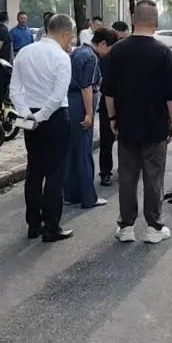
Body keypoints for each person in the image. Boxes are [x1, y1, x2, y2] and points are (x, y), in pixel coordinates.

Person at [102, 0, 172, 244]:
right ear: (156, 22)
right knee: (154, 177)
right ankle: (154, 227)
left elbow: (108, 92)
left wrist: (112, 118)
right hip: (156, 126)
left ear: (133, 19)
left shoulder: (118, 51)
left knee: (127, 178)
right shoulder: (164, 52)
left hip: (126, 125)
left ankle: (126, 226)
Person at [10, 13, 74, 242]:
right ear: (65, 34)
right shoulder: (61, 57)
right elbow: (58, 94)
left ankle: (33, 224)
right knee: (55, 174)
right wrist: (42, 116)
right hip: (54, 117)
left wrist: (27, 114)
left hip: (29, 116)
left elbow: (14, 89)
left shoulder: (25, 52)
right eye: (71, 37)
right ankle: (52, 226)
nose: (71, 42)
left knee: (34, 172)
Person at [64, 31, 110, 210]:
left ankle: (70, 194)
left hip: (70, 103)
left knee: (71, 151)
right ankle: (88, 197)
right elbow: (86, 87)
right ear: (103, 43)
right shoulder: (91, 57)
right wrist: (89, 114)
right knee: (84, 152)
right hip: (81, 105)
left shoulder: (77, 52)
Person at [95, 28, 119, 187]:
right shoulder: (101, 58)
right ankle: (106, 172)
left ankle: (111, 171)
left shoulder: (115, 57)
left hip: (116, 102)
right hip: (109, 102)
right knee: (107, 141)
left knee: (113, 141)